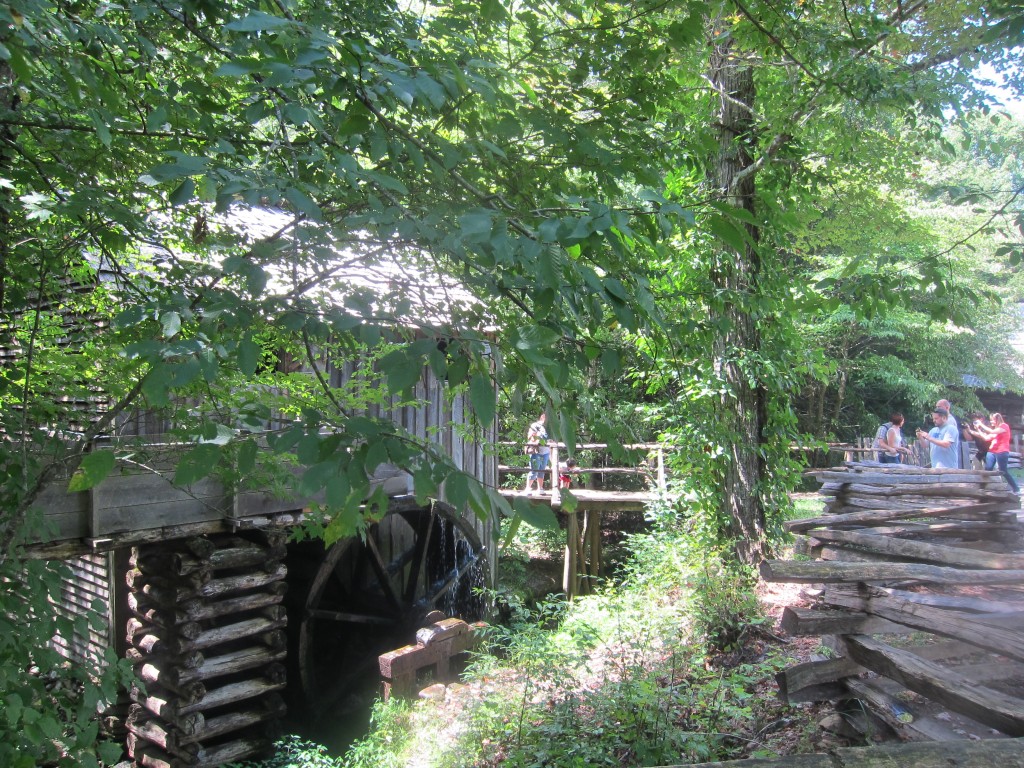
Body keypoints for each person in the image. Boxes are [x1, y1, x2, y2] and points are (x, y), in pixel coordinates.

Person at [968, 412, 1020, 494]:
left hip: (1002, 451)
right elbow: (986, 438)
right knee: (988, 470)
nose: (991, 422)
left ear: (996, 420)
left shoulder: (1004, 426)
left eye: (992, 420)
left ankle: (1015, 488)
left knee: (1003, 470)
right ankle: (984, 487)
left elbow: (992, 432)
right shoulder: (995, 429)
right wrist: (975, 429)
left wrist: (981, 424)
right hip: (992, 451)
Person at [524, 413, 550, 493]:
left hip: (546, 451)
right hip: (536, 451)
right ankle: (528, 488)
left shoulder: (549, 427)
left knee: (542, 470)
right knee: (534, 470)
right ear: (542, 417)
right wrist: (537, 438)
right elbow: (530, 436)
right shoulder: (535, 425)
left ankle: (540, 488)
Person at [936, 398, 961, 466]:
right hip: (940, 458)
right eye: (936, 407)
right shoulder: (939, 421)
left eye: (939, 407)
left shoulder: (950, 421)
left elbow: (947, 443)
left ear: (947, 407)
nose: (937, 409)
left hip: (948, 458)